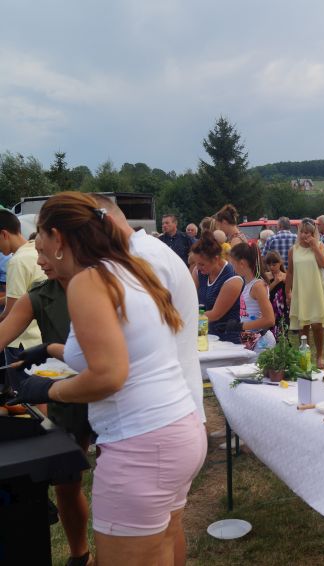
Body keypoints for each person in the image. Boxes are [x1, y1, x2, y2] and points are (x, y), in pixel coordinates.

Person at [10, 191, 206, 565]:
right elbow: (124, 348)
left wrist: (49, 389)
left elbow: (110, 375)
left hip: (141, 445)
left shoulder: (88, 281)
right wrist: (51, 349)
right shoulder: (129, 269)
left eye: (41, 242)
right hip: (178, 430)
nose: (39, 254)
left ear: (58, 237)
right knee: (162, 546)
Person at [94, 194, 206, 566]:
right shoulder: (147, 254)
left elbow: (135, 345)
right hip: (172, 412)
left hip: (155, 420)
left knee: (158, 534)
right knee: (167, 529)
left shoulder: (141, 261)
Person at [0, 241, 87, 564]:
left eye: (45, 252)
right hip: (65, 395)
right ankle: (80, 554)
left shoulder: (104, 284)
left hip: (111, 396)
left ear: (67, 246)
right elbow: (3, 333)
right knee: (66, 482)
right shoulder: (41, 294)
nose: (38, 261)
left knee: (118, 484)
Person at [0, 210, 47, 362]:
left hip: (20, 341)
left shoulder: (17, 261)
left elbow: (11, 311)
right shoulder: (34, 251)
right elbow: (24, 294)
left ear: (4, 234)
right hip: (39, 338)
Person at [286, 219, 324, 368]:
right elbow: (290, 272)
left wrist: (314, 247)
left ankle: (320, 355)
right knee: (303, 326)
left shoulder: (319, 246)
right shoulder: (293, 250)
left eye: (308, 233)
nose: (305, 235)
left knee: (317, 325)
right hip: (300, 291)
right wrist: (288, 291)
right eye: (303, 232)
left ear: (313, 234)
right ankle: (305, 355)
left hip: (315, 290)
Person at [191, 233, 243, 344]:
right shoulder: (198, 271)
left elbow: (215, 314)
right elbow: (190, 299)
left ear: (216, 259)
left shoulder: (233, 279)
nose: (198, 267)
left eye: (202, 264)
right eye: (196, 263)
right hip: (205, 331)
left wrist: (185, 316)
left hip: (228, 339)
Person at [229, 243, 277, 351]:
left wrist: (240, 326)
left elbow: (269, 320)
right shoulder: (245, 283)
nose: (232, 268)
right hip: (250, 340)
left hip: (261, 343)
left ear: (242, 263)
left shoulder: (257, 286)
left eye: (233, 264)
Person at [264, 251, 288, 338]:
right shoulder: (266, 276)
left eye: (274, 265)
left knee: (282, 325)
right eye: (269, 265)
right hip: (270, 304)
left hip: (282, 305)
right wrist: (275, 282)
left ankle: (283, 341)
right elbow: (265, 292)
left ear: (280, 263)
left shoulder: (285, 275)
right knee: (271, 327)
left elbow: (289, 292)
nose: (271, 267)